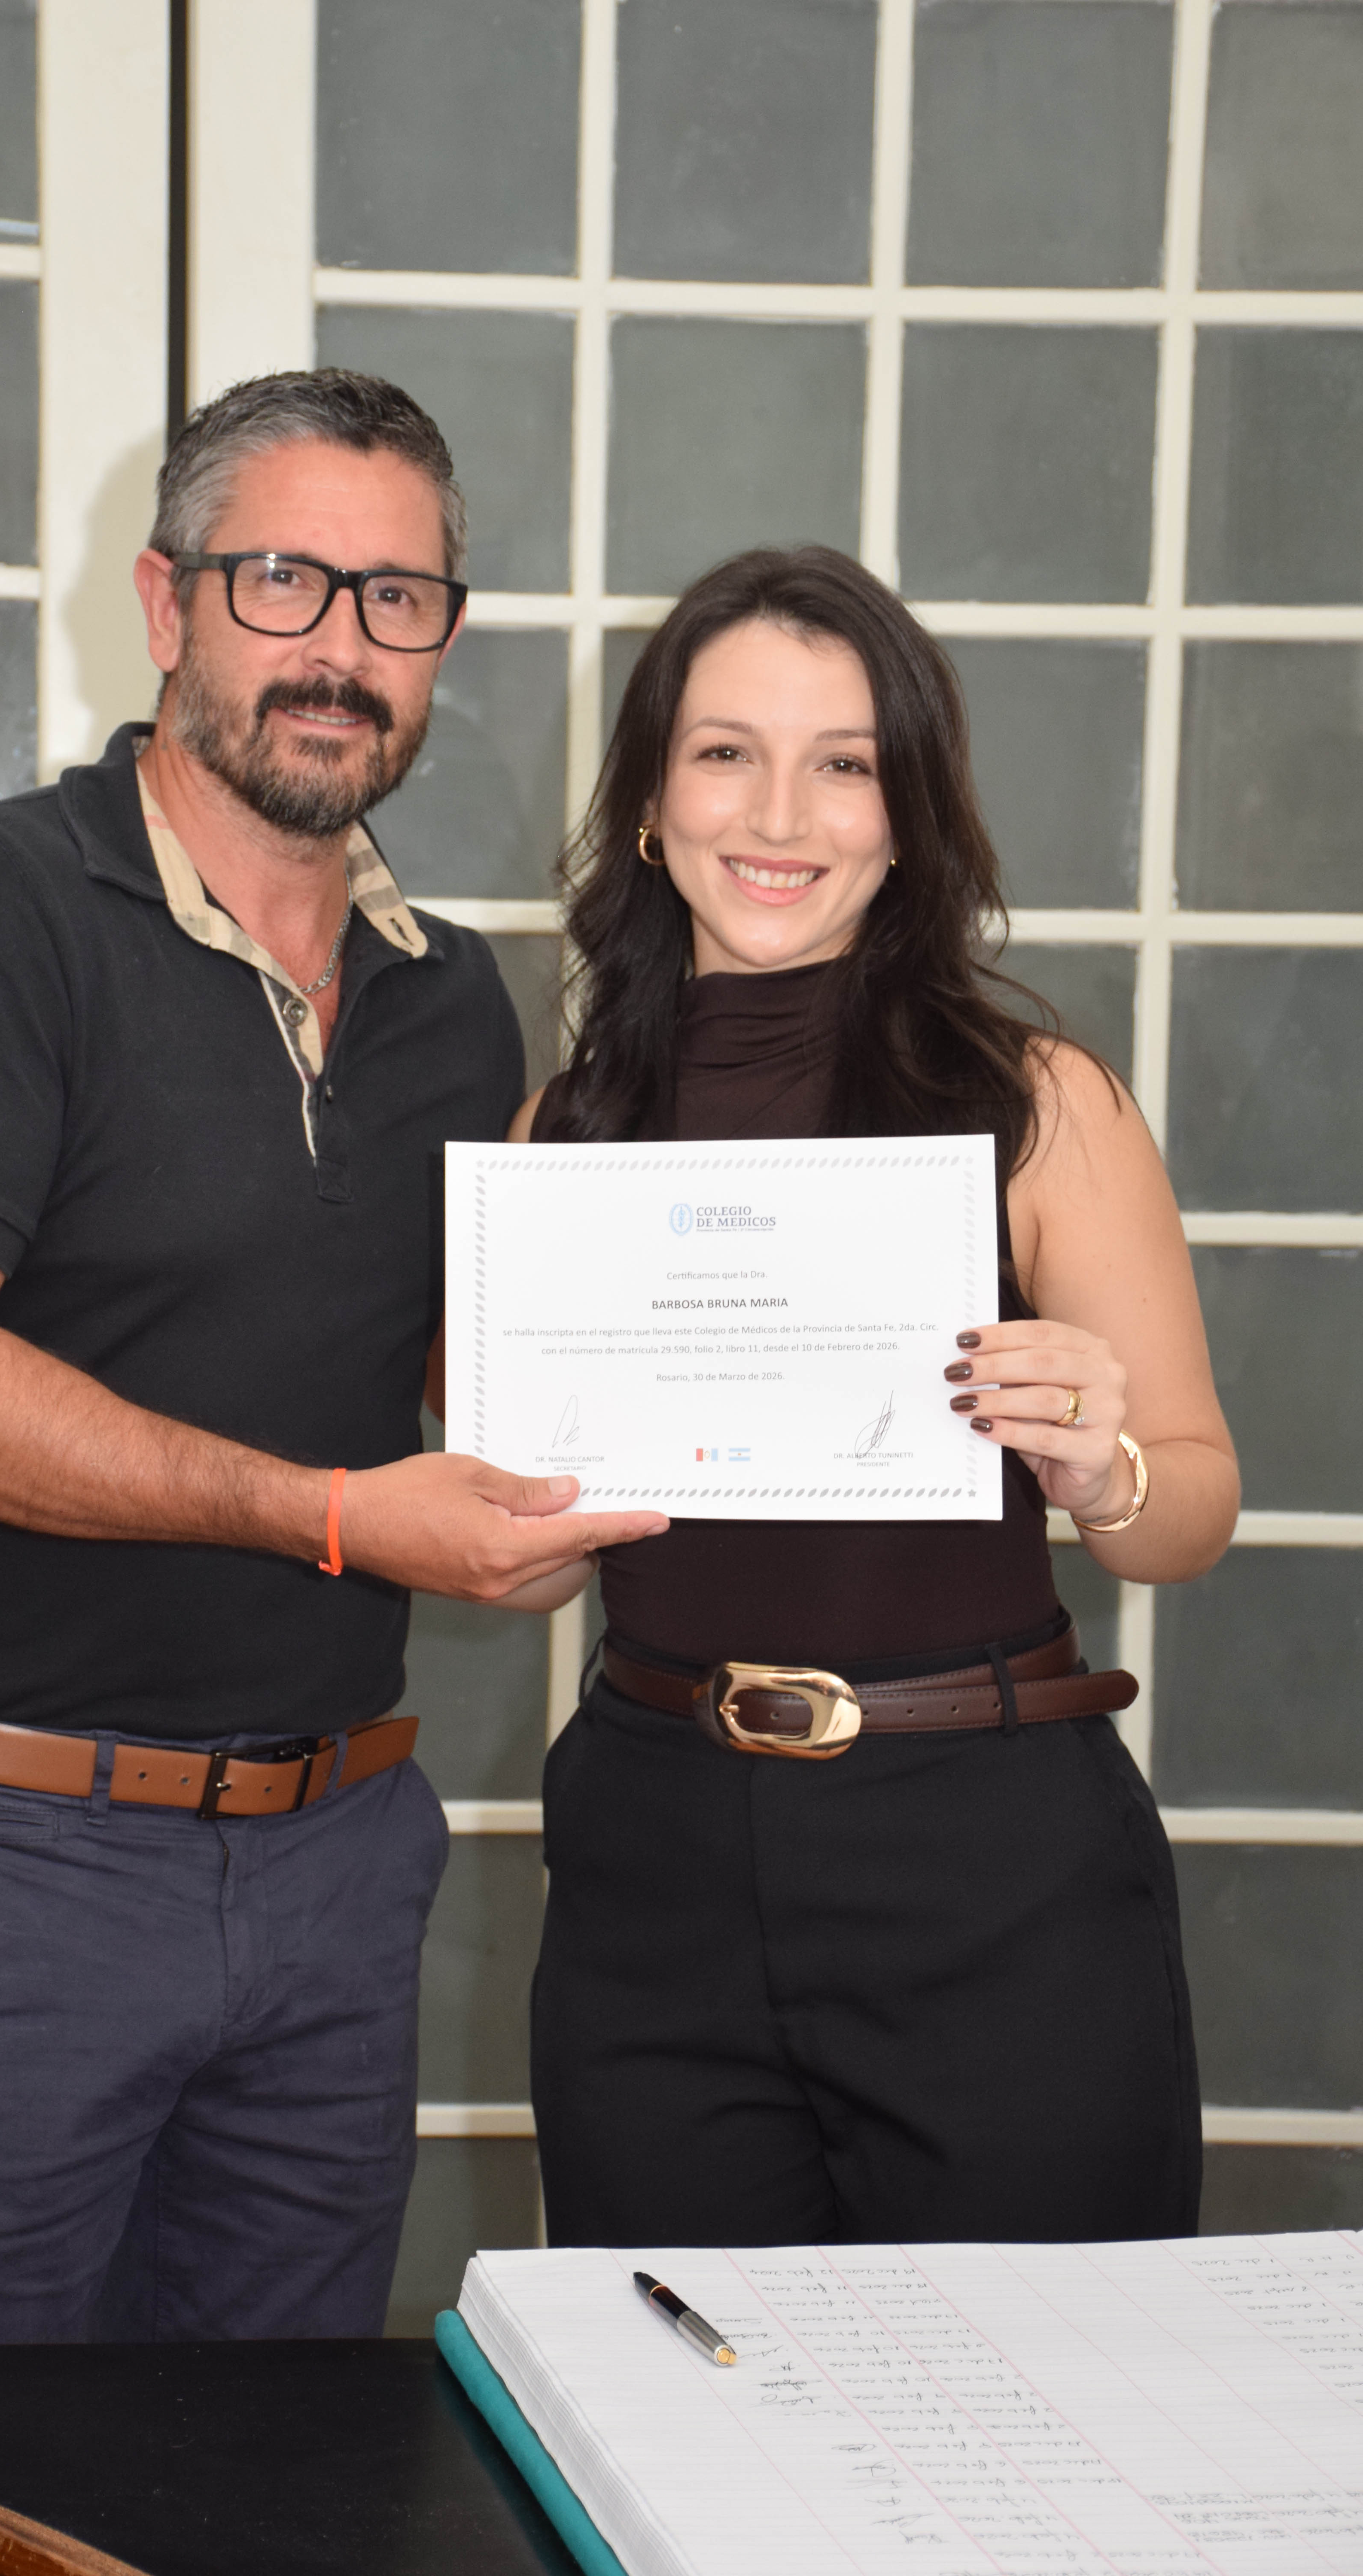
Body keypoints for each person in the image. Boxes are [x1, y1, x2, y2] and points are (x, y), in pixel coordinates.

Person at [0, 368, 664, 2348]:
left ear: (442, 641)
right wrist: (334, 1517)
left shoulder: (453, 1000)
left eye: (396, 598)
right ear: (169, 606)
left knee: (269, 2475)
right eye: (284, 583)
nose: (340, 647)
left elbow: (468, 1387)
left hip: (334, 1874)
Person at [505, 546, 1238, 2249]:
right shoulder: (562, 1136)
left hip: (987, 1856)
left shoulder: (1039, 1105)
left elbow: (1191, 1509)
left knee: (1034, 2390)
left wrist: (1103, 1464)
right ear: (648, 805)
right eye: (725, 753)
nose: (781, 814)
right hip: (652, 1848)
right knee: (674, 2384)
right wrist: (501, 1505)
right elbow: (529, 1571)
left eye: (843, 762)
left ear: (907, 814)